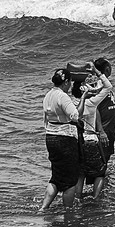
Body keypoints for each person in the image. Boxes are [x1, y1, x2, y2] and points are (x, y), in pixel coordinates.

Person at [38, 65, 83, 211]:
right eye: (69, 82)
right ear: (66, 82)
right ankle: (68, 210)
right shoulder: (62, 96)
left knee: (57, 176)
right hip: (65, 138)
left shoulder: (48, 95)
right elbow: (75, 116)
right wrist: (84, 99)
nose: (70, 85)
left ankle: (44, 207)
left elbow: (45, 119)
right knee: (70, 179)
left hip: (50, 136)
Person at [75, 65, 112, 200]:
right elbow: (108, 87)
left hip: (77, 141)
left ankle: (77, 199)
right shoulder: (91, 103)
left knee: (80, 173)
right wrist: (97, 72)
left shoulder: (71, 102)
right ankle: (95, 199)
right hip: (91, 139)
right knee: (100, 173)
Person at [94, 58, 115, 159]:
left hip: (109, 128)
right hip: (103, 129)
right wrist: (101, 131)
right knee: (102, 157)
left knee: (107, 155)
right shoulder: (99, 86)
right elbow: (94, 108)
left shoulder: (105, 85)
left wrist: (112, 128)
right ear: (107, 69)